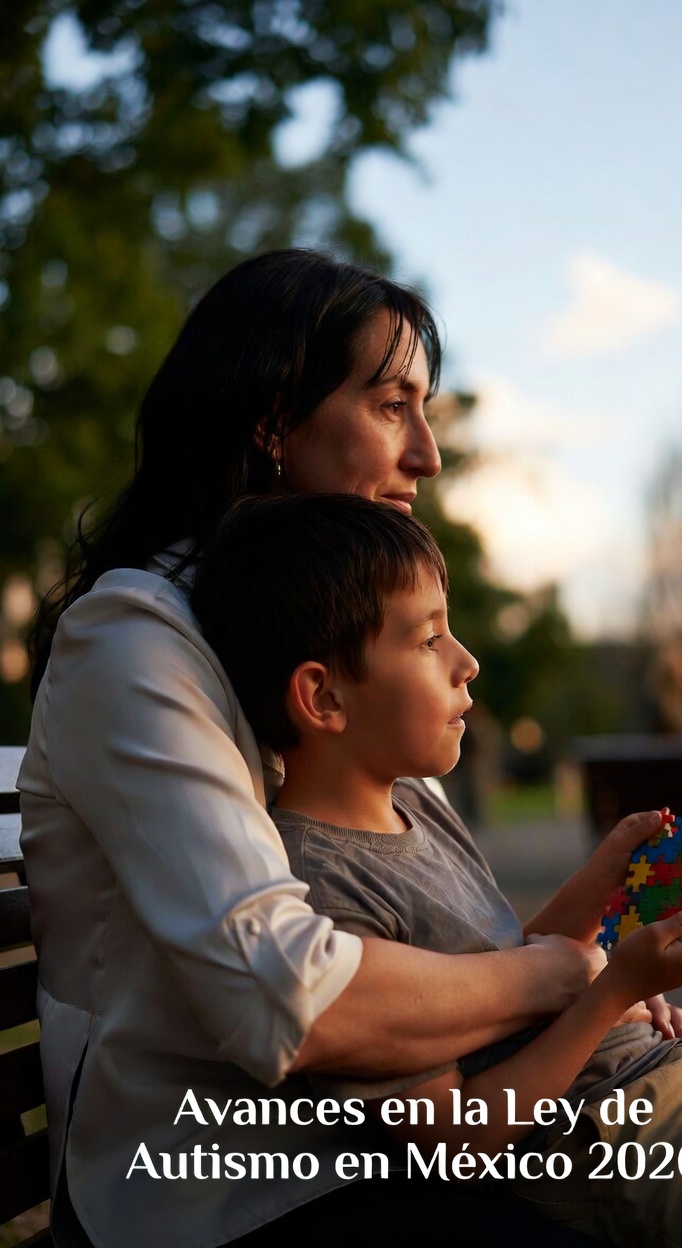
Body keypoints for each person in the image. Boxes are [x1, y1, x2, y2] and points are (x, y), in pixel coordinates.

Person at [19, 250, 642, 1248]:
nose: (428, 455)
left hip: (390, 1145)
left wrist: (614, 1001)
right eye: (392, 404)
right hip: (224, 1192)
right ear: (270, 421)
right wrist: (569, 977)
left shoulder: (340, 634)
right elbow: (287, 997)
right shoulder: (136, 638)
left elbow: (446, 952)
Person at [191, 492, 682, 1248]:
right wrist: (615, 990)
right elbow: (457, 1138)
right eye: (430, 640)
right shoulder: (320, 889)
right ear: (324, 695)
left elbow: (503, 969)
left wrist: (600, 886)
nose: (468, 661)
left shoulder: (415, 808)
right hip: (622, 1142)